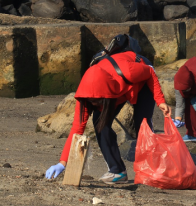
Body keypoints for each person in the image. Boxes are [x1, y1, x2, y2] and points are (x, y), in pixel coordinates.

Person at [45, 50, 171, 184]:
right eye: (91, 102)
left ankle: (152, 168)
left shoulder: (129, 71)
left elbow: (150, 72)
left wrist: (160, 100)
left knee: (142, 125)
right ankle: (117, 170)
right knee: (100, 124)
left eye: (97, 103)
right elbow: (76, 129)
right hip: (114, 92)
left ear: (105, 98)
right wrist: (62, 163)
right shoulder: (85, 97)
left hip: (142, 81)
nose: (95, 106)